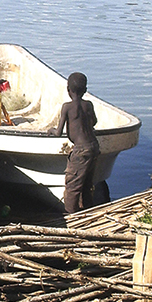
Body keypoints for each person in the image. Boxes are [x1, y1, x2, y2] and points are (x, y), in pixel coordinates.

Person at [51, 72, 100, 214]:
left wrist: (51, 130)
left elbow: (59, 132)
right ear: (85, 90)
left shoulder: (67, 107)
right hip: (93, 147)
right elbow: (94, 122)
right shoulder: (89, 105)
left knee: (72, 186)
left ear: (68, 90)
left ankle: (70, 216)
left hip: (81, 151)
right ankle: (87, 212)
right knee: (86, 184)